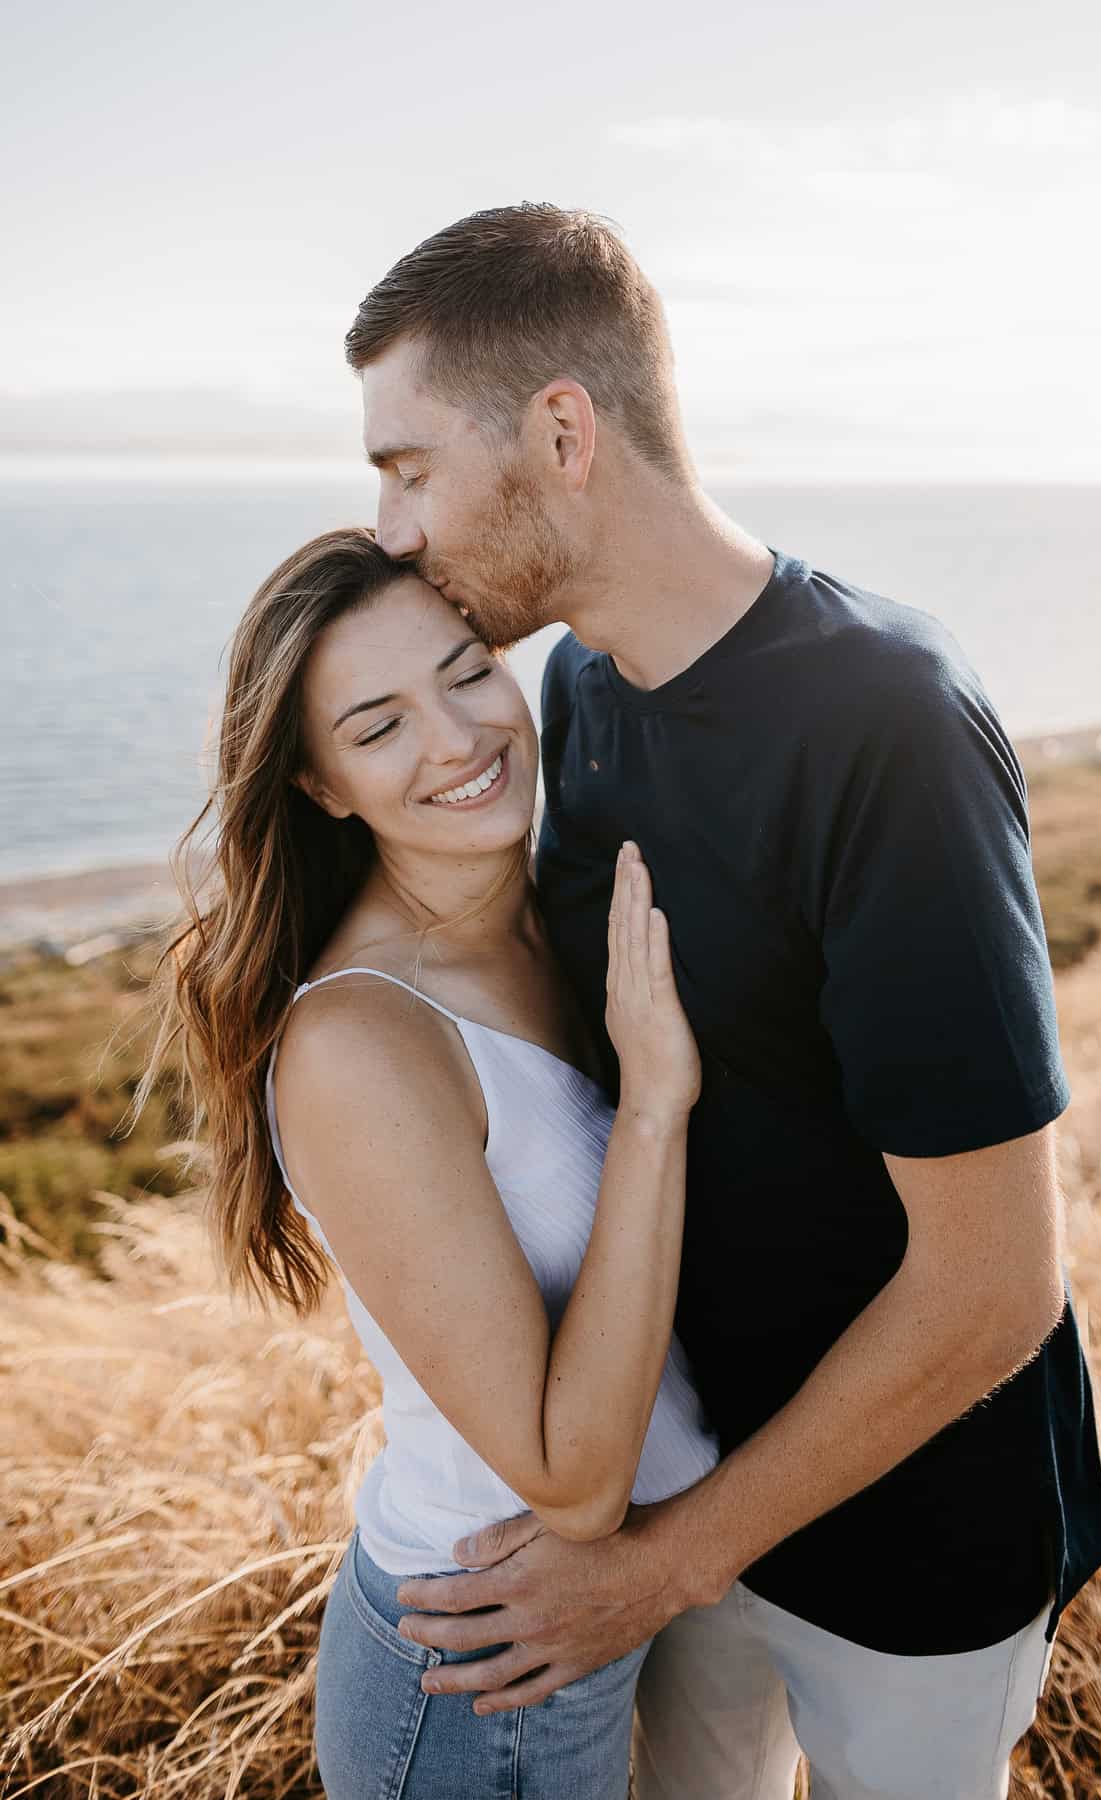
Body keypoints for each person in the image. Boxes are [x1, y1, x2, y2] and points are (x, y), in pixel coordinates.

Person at [341, 202, 1101, 1800]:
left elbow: (994, 1286)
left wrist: (662, 1566)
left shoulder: (883, 723)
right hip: (690, 1499)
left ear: (561, 431)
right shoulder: (580, 692)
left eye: (409, 468)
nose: (397, 528)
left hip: (915, 1550)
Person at [134, 526, 723, 1799]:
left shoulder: (555, 912)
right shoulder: (363, 1041)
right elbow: (568, 1481)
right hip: (482, 1674)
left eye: (466, 672)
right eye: (379, 725)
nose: (457, 740)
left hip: (630, 1608)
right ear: (322, 786)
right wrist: (655, 1107)